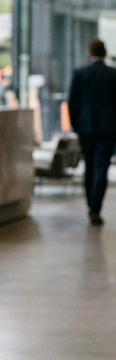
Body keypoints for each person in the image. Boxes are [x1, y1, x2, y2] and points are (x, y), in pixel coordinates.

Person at [68, 38, 116, 226]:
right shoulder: (113, 75)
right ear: (104, 54)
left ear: (90, 53)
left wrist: (75, 125)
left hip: (86, 129)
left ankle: (91, 205)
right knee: (101, 168)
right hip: (108, 129)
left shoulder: (80, 73)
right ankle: (96, 208)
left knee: (89, 167)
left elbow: (72, 102)